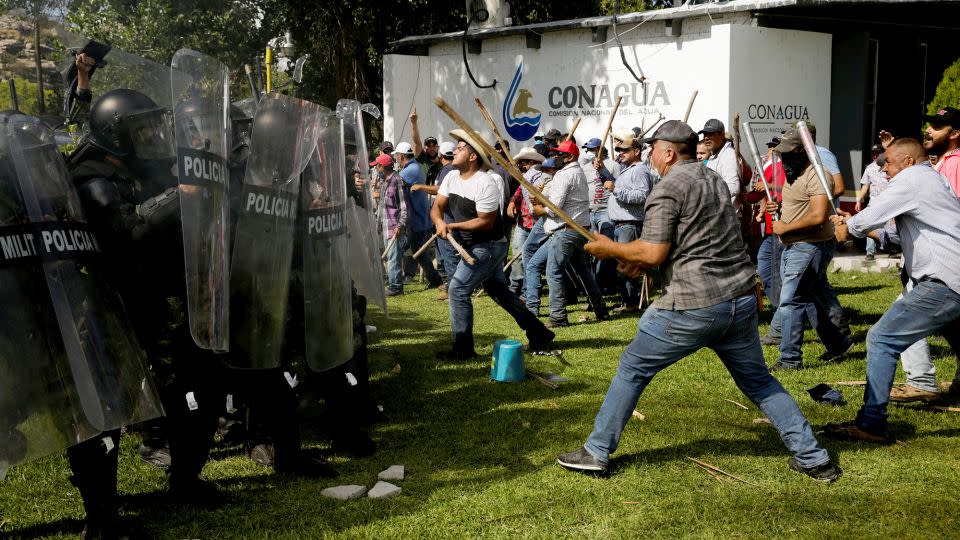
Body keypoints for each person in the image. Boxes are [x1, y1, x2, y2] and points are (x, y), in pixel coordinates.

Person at [556, 120, 840, 482]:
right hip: (738, 299)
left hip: (694, 304)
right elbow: (692, 244)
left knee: (631, 368)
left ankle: (596, 452)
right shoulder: (714, 180)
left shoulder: (667, 188)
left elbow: (656, 250)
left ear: (669, 152)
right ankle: (813, 458)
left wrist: (609, 248)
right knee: (758, 381)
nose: (649, 155)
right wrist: (640, 263)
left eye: (652, 149)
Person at [826, 137, 960, 441]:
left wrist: (848, 227)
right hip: (953, 278)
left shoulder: (912, 180)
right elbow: (894, 236)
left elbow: (869, 218)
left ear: (908, 161)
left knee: (882, 338)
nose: (882, 168)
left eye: (888, 161)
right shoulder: (933, 181)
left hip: (945, 280)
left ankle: (871, 423)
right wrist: (855, 223)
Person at [431, 129, 554, 359]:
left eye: (460, 148)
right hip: (474, 244)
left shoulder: (485, 183)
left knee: (457, 290)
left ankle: (463, 349)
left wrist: (453, 227)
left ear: (472, 156)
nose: (454, 151)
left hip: (488, 245)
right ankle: (539, 332)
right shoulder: (450, 177)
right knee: (499, 291)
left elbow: (485, 222)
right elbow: (437, 206)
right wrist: (439, 222)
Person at [763, 129, 853, 371]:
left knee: (791, 301)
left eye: (786, 152)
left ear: (801, 151)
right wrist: (778, 208)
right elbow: (799, 205)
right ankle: (838, 344)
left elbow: (818, 215)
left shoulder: (818, 174)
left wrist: (784, 226)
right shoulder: (794, 173)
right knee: (808, 299)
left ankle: (789, 359)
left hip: (809, 246)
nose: (781, 157)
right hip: (793, 245)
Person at [527, 140, 608, 326]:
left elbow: (554, 208)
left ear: (569, 157)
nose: (555, 157)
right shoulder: (575, 172)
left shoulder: (565, 175)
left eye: (559, 154)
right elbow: (560, 199)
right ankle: (601, 310)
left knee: (554, 272)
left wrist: (539, 208)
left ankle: (558, 316)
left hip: (564, 231)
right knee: (582, 271)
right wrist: (540, 197)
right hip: (577, 230)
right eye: (555, 154)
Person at [605, 133, 654, 312]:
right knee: (623, 265)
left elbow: (642, 196)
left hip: (629, 224)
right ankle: (628, 300)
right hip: (622, 224)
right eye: (619, 150)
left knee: (627, 266)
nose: (620, 152)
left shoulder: (640, 170)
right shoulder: (629, 169)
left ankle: (631, 303)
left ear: (636, 151)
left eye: (624, 150)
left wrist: (616, 189)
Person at [394, 141, 443, 289]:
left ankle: (436, 281)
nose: (395, 158)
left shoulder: (410, 170)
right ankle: (434, 280)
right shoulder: (413, 166)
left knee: (417, 252)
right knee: (414, 251)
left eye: (396, 156)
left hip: (418, 220)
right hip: (417, 219)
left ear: (401, 156)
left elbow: (392, 182)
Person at [506, 147, 546, 294]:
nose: (521, 165)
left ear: (531, 162)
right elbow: (519, 191)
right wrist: (512, 202)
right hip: (523, 221)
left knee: (529, 257)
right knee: (518, 253)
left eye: (523, 162)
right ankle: (516, 286)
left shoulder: (539, 175)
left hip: (537, 222)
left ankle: (527, 289)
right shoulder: (525, 177)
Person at [374, 154, 408, 296]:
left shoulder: (397, 180)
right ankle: (393, 282)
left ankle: (396, 287)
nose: (376, 168)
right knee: (390, 257)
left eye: (377, 166)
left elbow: (404, 206)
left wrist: (400, 226)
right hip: (385, 225)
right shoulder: (384, 181)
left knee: (394, 257)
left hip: (394, 226)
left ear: (383, 167)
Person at [854, 145, 888, 261]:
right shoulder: (869, 168)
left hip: (889, 201)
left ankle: (892, 249)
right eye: (873, 153)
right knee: (870, 225)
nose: (875, 155)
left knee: (890, 226)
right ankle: (870, 252)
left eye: (877, 153)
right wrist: (859, 200)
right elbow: (865, 185)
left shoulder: (889, 165)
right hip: (874, 202)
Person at [700, 119, 741, 207]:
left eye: (710, 134)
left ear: (722, 135)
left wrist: (709, 196)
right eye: (705, 134)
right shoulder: (713, 156)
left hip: (726, 217)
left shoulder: (728, 154)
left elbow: (734, 187)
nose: (706, 138)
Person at [409, 107, 442, 182]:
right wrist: (414, 123)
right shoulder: (421, 158)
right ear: (424, 148)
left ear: (438, 148)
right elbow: (416, 141)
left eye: (434, 146)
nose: (431, 148)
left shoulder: (442, 162)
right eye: (429, 146)